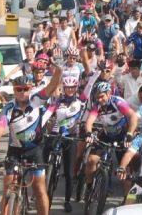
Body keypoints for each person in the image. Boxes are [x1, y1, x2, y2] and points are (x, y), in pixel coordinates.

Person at [0, 55, 63, 215]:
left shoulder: (37, 99)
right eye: (18, 89)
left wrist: (58, 69)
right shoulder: (9, 108)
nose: (22, 92)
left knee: (39, 188)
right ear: (14, 90)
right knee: (8, 187)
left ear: (31, 88)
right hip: (15, 150)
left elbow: (54, 84)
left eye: (25, 89)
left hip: (35, 150)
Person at [83, 81, 139, 195]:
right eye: (97, 97)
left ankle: (126, 200)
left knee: (125, 171)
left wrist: (129, 134)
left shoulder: (118, 102)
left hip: (121, 135)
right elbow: (89, 121)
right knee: (91, 160)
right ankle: (89, 186)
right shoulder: (97, 106)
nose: (99, 100)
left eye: (102, 96)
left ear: (108, 93)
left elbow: (133, 116)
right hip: (106, 135)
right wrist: (89, 133)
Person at [50, 75, 86, 212]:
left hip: (70, 136)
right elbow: (49, 113)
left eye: (72, 87)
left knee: (69, 173)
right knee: (44, 155)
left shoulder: (80, 102)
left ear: (76, 88)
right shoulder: (58, 101)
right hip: (55, 133)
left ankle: (67, 200)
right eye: (67, 87)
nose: (70, 90)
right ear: (64, 88)